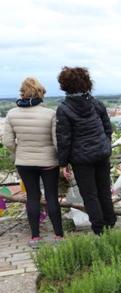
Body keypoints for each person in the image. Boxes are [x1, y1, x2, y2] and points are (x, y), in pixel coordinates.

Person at [3, 77, 64, 247]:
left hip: (24, 162)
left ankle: (35, 237)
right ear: (40, 93)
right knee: (52, 196)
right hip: (48, 161)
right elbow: (57, 142)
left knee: (32, 197)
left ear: (22, 92)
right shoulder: (50, 114)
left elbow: (7, 142)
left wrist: (20, 151)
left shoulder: (11, 114)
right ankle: (59, 235)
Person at [56, 66, 116, 235]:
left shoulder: (64, 109)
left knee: (89, 194)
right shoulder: (97, 104)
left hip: (81, 159)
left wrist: (63, 163)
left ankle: (99, 229)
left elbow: (64, 139)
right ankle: (110, 223)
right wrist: (105, 146)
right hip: (101, 154)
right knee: (104, 190)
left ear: (65, 85)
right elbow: (107, 129)